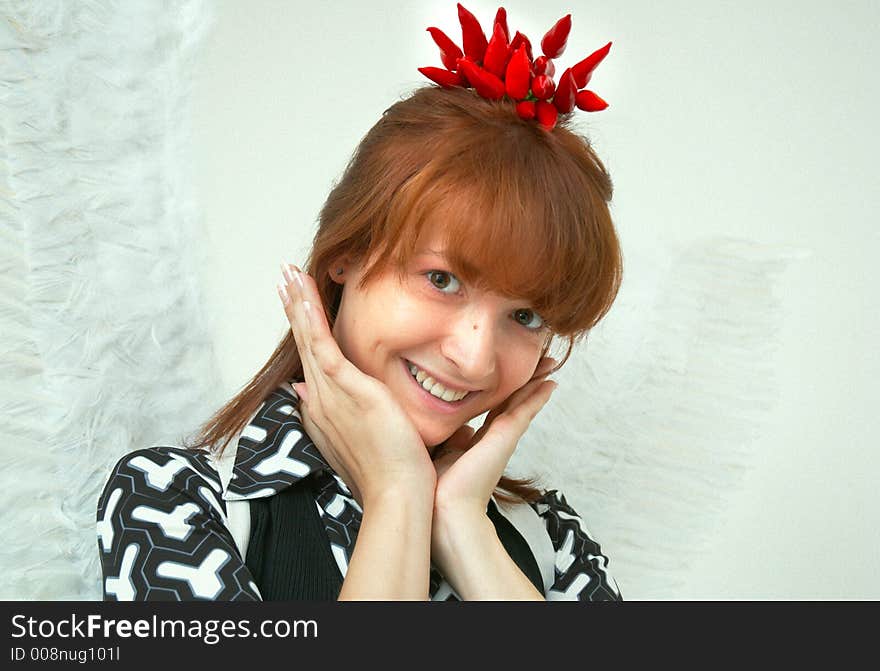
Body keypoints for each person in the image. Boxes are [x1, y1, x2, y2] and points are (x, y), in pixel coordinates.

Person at [96, 5, 623, 601]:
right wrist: (396, 492)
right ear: (346, 253)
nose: (475, 359)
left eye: (525, 317)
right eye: (442, 279)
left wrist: (462, 527)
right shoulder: (176, 503)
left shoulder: (549, 537)